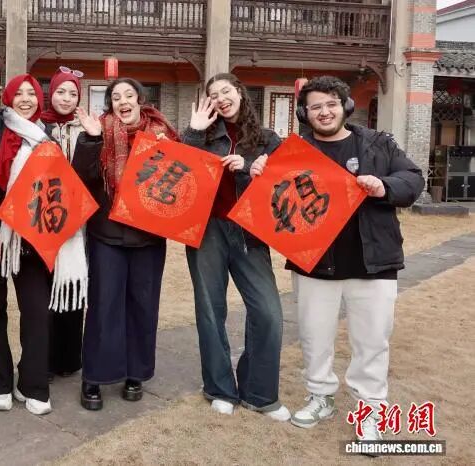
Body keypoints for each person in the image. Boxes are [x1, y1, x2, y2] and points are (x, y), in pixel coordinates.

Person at [250, 75, 424, 441]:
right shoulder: (294, 152)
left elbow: (412, 179)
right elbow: (271, 199)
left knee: (372, 340)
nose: (324, 112)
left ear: (345, 106)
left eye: (331, 104)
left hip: (373, 260)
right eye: (315, 107)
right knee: (314, 336)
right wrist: (258, 173)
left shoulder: (378, 143)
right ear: (304, 113)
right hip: (314, 262)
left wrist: (384, 186)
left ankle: (371, 409)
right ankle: (320, 396)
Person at [0, 74, 89, 417]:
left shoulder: (47, 136)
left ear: (39, 99)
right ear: (8, 98)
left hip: (32, 237)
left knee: (37, 313)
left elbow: (68, 183)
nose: (26, 98)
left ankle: (33, 385)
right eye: (19, 93)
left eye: (32, 93)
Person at [180, 73, 290, 421]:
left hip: (249, 232)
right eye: (213, 95)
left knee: (268, 312)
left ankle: (259, 393)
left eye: (226, 91)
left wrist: (250, 169)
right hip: (207, 230)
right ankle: (219, 388)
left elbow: (283, 186)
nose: (221, 98)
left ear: (240, 93)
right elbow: (179, 170)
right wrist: (194, 131)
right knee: (210, 311)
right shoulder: (202, 134)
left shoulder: (267, 139)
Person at [72, 77, 178, 410]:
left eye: (128, 95)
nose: (122, 101)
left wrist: (183, 142)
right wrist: (91, 140)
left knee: (143, 306)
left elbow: (183, 176)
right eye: (116, 97)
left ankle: (135, 373)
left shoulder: (161, 133)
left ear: (140, 100)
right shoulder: (100, 131)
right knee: (104, 305)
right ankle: (94, 376)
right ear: (111, 104)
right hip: (107, 234)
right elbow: (82, 178)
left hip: (149, 236)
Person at [40, 66, 88, 379]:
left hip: (78, 222)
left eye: (72, 93)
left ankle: (69, 359)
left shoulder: (84, 129)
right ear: (51, 94)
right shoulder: (37, 127)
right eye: (61, 91)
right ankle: (43, 358)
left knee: (73, 283)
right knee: (43, 292)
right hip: (44, 218)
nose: (66, 98)